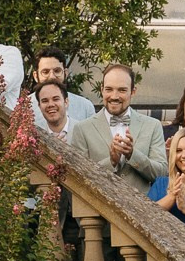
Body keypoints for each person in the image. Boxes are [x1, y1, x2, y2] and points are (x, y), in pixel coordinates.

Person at [66, 63, 166, 195]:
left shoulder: (152, 125)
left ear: (133, 91)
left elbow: (162, 174)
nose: (114, 96)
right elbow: (78, 177)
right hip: (98, 212)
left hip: (143, 212)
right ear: (101, 89)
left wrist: (133, 155)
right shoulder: (82, 129)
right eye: (109, 89)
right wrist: (111, 162)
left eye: (122, 90)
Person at [30, 52, 95, 125]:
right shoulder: (23, 107)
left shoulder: (85, 107)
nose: (52, 76)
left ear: (66, 73)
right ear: (35, 76)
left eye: (57, 71)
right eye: (45, 72)